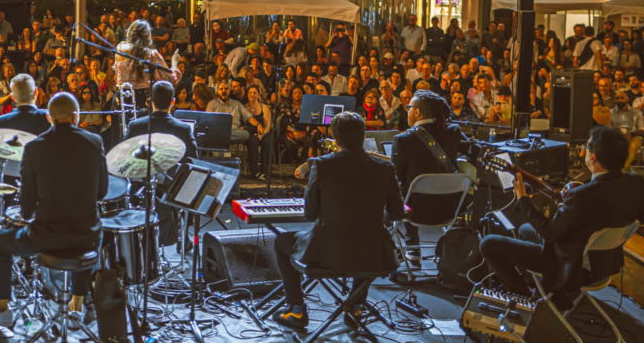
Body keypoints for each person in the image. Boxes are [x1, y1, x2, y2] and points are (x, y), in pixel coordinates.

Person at [0, 92, 109, 328]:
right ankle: (76, 306)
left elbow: (27, 205)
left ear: (49, 118)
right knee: (83, 228)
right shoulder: (94, 142)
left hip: (46, 239)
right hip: (87, 238)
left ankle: (1, 309)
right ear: (76, 117)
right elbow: (101, 192)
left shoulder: (34, 147)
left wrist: (30, 214)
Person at [480, 127, 644, 307]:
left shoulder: (582, 195)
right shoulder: (636, 183)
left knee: (488, 244)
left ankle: (530, 300)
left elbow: (549, 232)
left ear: (593, 157)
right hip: (604, 265)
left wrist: (523, 198)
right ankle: (549, 294)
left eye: (586, 147)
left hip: (573, 266)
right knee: (526, 230)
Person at [274, 112, 405, 331]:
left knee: (281, 242)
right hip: (374, 255)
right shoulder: (385, 169)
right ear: (363, 136)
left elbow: (309, 214)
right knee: (364, 244)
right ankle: (354, 308)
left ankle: (296, 311)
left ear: (335, 139)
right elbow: (397, 213)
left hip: (327, 253)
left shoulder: (323, 165)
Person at [390, 90, 470, 264]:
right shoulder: (453, 131)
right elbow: (472, 150)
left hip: (413, 212)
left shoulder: (402, 139)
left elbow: (394, 177)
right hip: (450, 209)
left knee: (398, 193)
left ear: (418, 112)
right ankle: (420, 248)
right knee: (412, 188)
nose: (407, 111)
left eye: (410, 108)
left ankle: (408, 248)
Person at [124, 81, 198, 245]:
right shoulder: (183, 129)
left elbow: (122, 159)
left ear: (151, 102)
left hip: (140, 190)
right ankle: (182, 236)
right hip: (173, 192)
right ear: (173, 102)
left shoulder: (135, 126)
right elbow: (194, 161)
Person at [114, 20, 180, 90]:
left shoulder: (120, 48)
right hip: (142, 97)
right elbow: (172, 79)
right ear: (147, 35)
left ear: (130, 33)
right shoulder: (151, 54)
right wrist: (174, 63)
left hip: (121, 96)